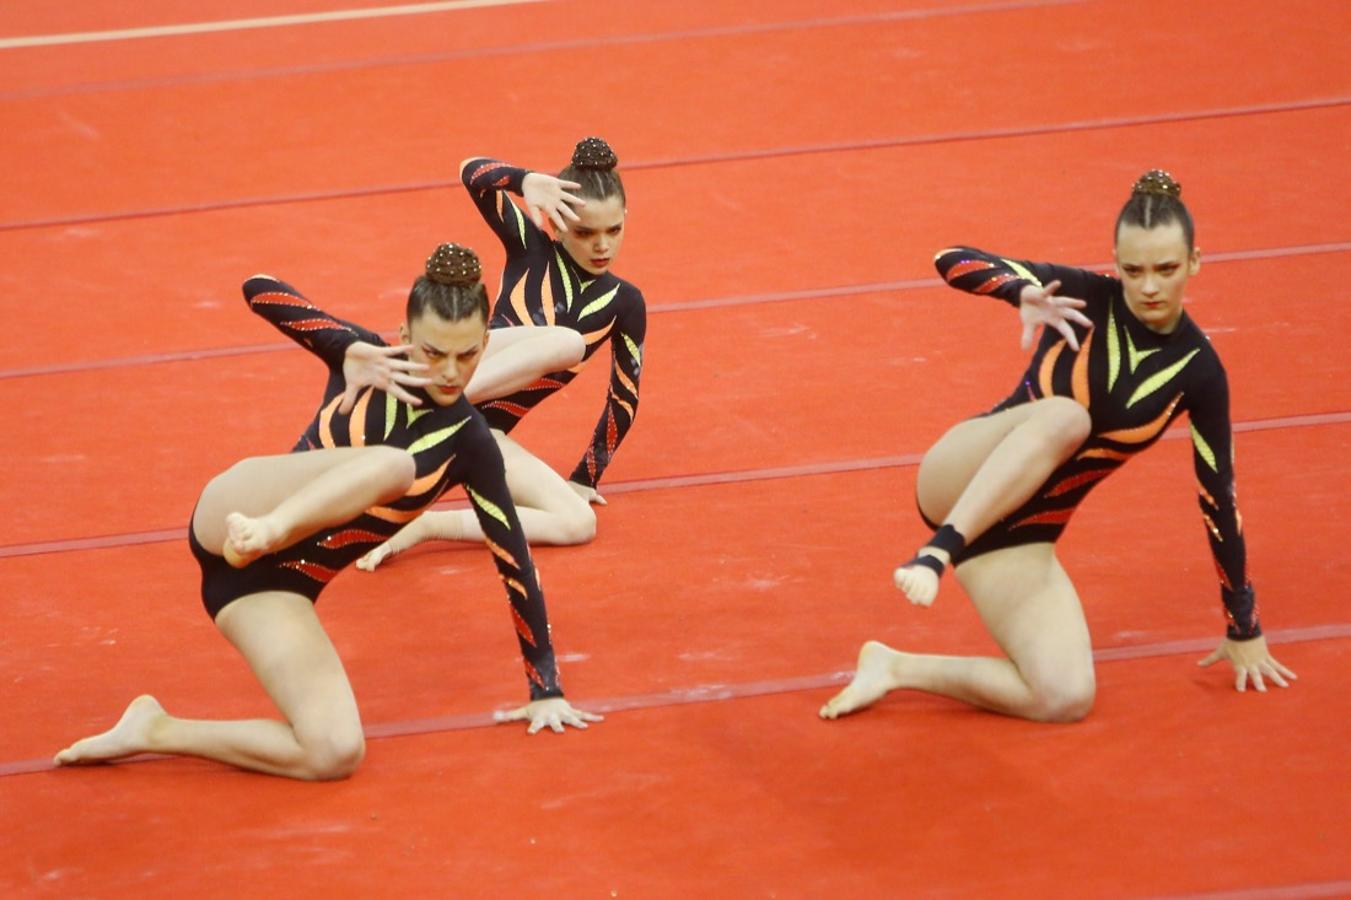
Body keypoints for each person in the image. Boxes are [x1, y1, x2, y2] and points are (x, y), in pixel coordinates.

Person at [54, 244, 600, 780]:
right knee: (394, 467)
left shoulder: (471, 444)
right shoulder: (365, 357)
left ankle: (154, 730)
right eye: (433, 352)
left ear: (485, 342)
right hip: (241, 510)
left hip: (265, 587)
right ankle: (275, 527)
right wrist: (343, 347)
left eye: (467, 355)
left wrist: (544, 687)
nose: (450, 372)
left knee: (334, 752)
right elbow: (259, 288)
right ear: (406, 336)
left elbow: (513, 558)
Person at [821, 170, 1296, 724]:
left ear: (1195, 262)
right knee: (1068, 417)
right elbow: (950, 259)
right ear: (1114, 262)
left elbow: (1219, 497)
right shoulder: (1080, 296)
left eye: (1166, 269)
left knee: (1065, 696)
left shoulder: (1201, 373)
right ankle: (935, 553)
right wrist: (1016, 290)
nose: (1148, 287)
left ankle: (894, 667)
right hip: (961, 476)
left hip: (1022, 532)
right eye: (1132, 269)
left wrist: (1244, 624)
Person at [356, 136, 645, 569]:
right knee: (565, 343)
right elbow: (471, 172)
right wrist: (524, 180)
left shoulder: (626, 302)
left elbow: (624, 396)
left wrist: (586, 476)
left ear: (626, 218)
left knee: (577, 523)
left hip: (480, 430)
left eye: (613, 230)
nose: (601, 246)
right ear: (556, 222)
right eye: (585, 232)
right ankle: (426, 399)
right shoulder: (531, 248)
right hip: (453, 380)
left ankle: (426, 526)